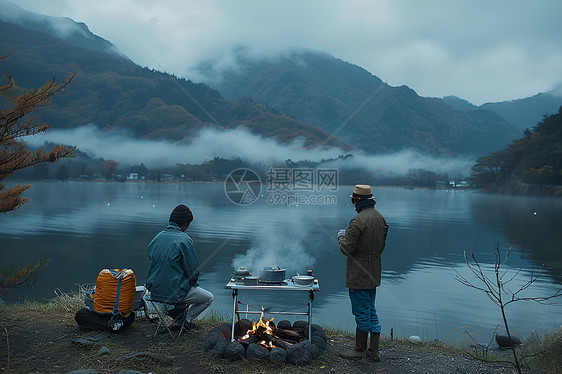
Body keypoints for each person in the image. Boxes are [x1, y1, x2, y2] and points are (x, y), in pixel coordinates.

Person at [337, 184, 388, 361]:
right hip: (374, 270)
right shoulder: (380, 218)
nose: (353, 204)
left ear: (357, 201)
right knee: (370, 309)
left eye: (353, 201)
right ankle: (373, 351)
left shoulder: (358, 221)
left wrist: (340, 237)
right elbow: (381, 246)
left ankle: (359, 350)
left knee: (360, 311)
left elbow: (347, 249)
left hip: (359, 273)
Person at [145, 204, 213, 327]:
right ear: (185, 224)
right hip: (174, 293)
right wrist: (193, 282)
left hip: (154, 291)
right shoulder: (184, 240)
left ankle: (175, 314)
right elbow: (193, 272)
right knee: (208, 298)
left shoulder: (157, 238)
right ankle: (184, 320)